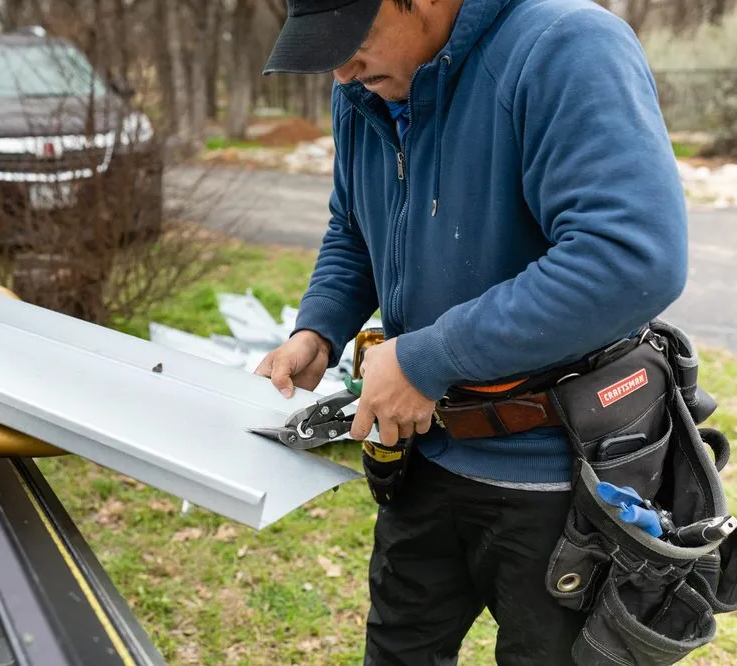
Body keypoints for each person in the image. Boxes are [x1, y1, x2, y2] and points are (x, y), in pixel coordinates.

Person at [255, 0, 689, 664]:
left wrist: (430, 359)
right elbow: (355, 229)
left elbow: (629, 258)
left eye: (356, 38)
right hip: (424, 457)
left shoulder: (564, 47)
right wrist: (318, 327)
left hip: (559, 479)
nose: (342, 70)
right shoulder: (366, 87)